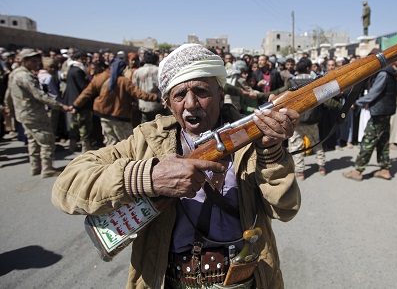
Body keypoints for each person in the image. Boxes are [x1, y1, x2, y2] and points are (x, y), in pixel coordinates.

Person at [51, 44, 301, 289]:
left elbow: (285, 209)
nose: (190, 104)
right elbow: (66, 187)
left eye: (201, 91)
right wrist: (147, 177)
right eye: (179, 95)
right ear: (168, 104)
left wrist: (270, 152)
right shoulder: (147, 141)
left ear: (220, 93)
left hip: (244, 278)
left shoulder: (252, 138)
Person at [343, 59, 397, 181]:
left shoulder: (383, 73)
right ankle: (385, 169)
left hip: (379, 112)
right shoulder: (390, 72)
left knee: (368, 141)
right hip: (387, 111)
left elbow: (374, 93)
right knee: (383, 141)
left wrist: (356, 103)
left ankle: (358, 171)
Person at [8, 49, 74, 177]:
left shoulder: (15, 74)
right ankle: (47, 169)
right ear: (24, 61)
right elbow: (39, 95)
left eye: (37, 61)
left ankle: (35, 167)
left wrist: (9, 107)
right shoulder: (25, 76)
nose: (36, 64)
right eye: (33, 61)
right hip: (33, 113)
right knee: (47, 140)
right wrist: (60, 106)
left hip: (23, 113)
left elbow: (8, 94)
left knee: (33, 140)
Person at [73, 58, 157, 145]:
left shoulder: (99, 78)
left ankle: (113, 158)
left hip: (104, 115)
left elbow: (86, 93)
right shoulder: (124, 81)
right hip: (120, 116)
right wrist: (156, 98)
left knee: (110, 142)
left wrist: (75, 105)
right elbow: (140, 94)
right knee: (127, 143)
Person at [64, 50, 93, 152]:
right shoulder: (78, 71)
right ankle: (86, 148)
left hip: (72, 101)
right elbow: (84, 87)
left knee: (74, 124)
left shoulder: (71, 70)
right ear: (77, 59)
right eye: (83, 59)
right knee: (83, 125)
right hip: (80, 103)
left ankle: (73, 145)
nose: (84, 61)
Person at [132, 51, 163, 123]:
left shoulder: (137, 72)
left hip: (143, 105)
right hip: (157, 104)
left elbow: (135, 89)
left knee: (145, 127)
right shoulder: (158, 70)